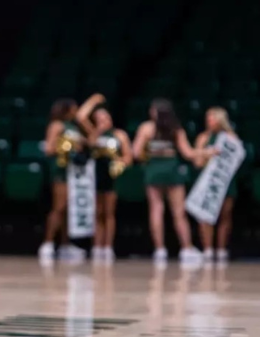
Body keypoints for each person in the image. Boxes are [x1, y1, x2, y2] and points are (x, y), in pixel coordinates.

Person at [132, 98, 206, 265]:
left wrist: (149, 157)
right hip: (172, 169)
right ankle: (186, 249)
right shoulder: (176, 128)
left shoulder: (145, 128)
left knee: (156, 209)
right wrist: (206, 152)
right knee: (179, 212)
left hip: (153, 169)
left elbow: (136, 152)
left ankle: (160, 250)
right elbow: (188, 153)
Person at [38, 96, 99, 261]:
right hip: (61, 170)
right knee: (59, 207)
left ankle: (65, 244)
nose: (76, 110)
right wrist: (66, 148)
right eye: (74, 108)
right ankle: (48, 243)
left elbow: (92, 139)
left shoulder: (74, 127)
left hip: (75, 172)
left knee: (69, 209)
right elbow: (49, 148)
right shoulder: (57, 125)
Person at [75, 95, 132, 262]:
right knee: (97, 212)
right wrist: (93, 101)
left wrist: (121, 163)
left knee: (109, 212)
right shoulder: (93, 134)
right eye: (100, 118)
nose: (104, 120)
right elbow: (80, 117)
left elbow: (128, 156)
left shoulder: (119, 135)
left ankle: (108, 247)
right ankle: (97, 246)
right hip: (94, 175)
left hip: (111, 176)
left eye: (106, 117)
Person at [192, 107, 238, 263]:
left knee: (225, 215)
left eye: (212, 118)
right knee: (205, 216)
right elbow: (197, 162)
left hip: (224, 181)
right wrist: (207, 154)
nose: (209, 121)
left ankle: (222, 249)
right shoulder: (203, 138)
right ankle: (208, 249)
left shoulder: (231, 137)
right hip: (208, 182)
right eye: (208, 118)